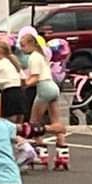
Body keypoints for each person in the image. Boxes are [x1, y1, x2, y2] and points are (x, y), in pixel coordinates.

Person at [19, 33, 69, 169]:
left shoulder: (33, 57)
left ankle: (41, 154)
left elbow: (34, 78)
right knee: (56, 121)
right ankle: (62, 153)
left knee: (34, 123)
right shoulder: (41, 56)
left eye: (23, 46)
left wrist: (23, 85)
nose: (22, 49)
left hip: (44, 88)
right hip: (53, 86)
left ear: (31, 44)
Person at [0, 41, 27, 124]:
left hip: (9, 94)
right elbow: (23, 79)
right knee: (19, 124)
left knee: (9, 124)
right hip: (20, 94)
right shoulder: (14, 62)